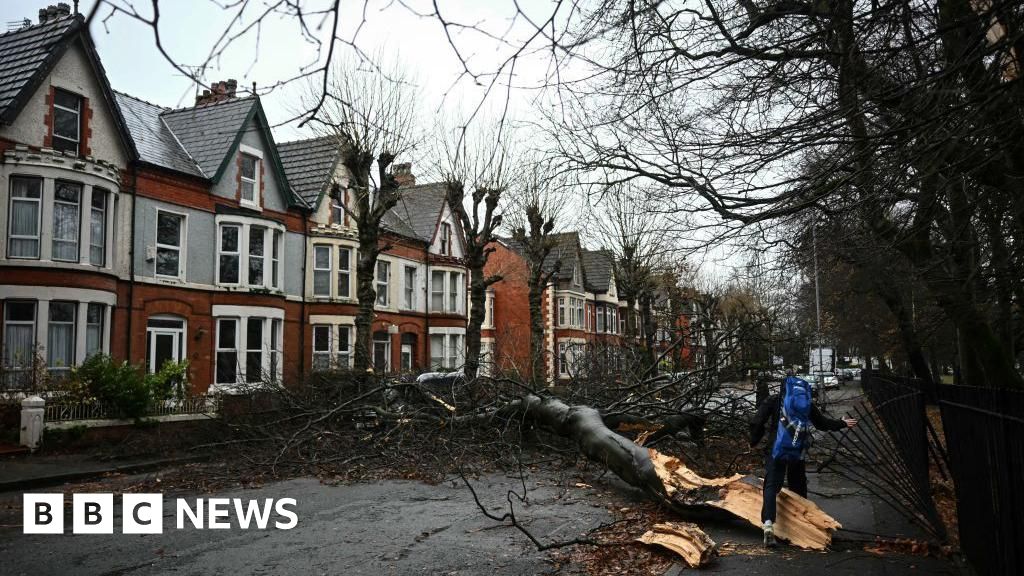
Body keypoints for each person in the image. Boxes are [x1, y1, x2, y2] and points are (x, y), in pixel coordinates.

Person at [749, 369, 857, 547]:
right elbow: (822, 424)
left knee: (771, 486)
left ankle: (768, 525)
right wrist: (842, 423)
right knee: (798, 485)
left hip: (776, 449)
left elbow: (756, 421)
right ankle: (802, 525)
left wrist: (754, 440)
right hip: (797, 451)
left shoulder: (774, 400)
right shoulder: (806, 403)